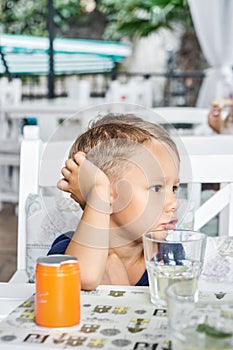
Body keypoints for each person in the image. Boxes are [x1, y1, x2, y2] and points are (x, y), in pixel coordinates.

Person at [48, 113, 180, 289]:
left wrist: (119, 280)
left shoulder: (170, 255)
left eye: (174, 189)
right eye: (156, 188)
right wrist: (99, 193)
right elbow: (83, 278)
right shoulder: (65, 250)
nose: (174, 203)